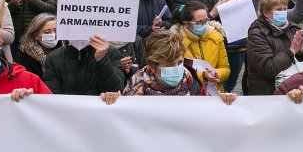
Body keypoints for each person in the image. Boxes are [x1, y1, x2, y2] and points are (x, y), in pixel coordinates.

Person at [100, 30, 236, 103]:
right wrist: (112, 100)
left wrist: (222, 102)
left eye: (179, 62)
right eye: (170, 64)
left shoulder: (190, 80)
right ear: (153, 66)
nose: (178, 68)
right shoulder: (136, 87)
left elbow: (208, 110)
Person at [245, 0, 303, 96]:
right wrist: (292, 51)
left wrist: (302, 50)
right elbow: (268, 69)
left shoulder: (293, 28)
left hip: (294, 89)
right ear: (266, 12)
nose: (283, 12)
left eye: (285, 9)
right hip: (268, 93)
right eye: (279, 9)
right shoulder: (257, 33)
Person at [42, 34, 125, 96]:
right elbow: (52, 97)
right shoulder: (53, 57)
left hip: (99, 114)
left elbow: (116, 91)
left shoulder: (111, 53)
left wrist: (101, 59)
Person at [175, 1, 229, 89]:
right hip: (190, 93)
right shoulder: (177, 41)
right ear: (187, 24)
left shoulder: (216, 36)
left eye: (206, 20)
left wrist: (215, 74)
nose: (204, 25)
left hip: (215, 91)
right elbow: (177, 73)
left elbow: (225, 68)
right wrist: (203, 76)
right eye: (199, 22)